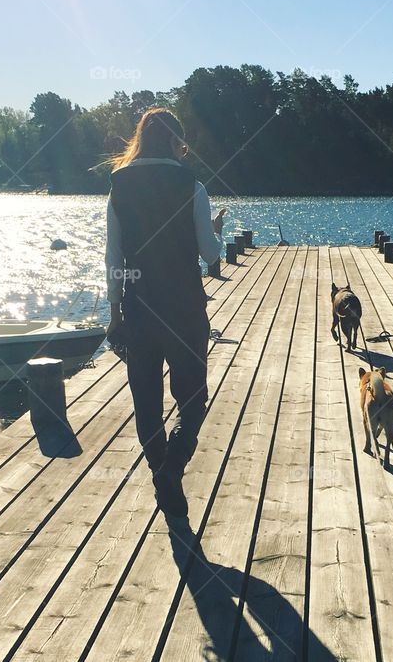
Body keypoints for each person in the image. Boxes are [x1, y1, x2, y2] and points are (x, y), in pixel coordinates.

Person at [105, 108, 226, 516]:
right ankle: (171, 470)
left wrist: (115, 313)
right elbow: (210, 254)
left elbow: (114, 258)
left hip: (138, 308)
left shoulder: (118, 185)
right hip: (184, 308)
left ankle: (162, 472)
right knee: (192, 398)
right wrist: (215, 234)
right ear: (176, 141)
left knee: (146, 399)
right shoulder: (190, 183)